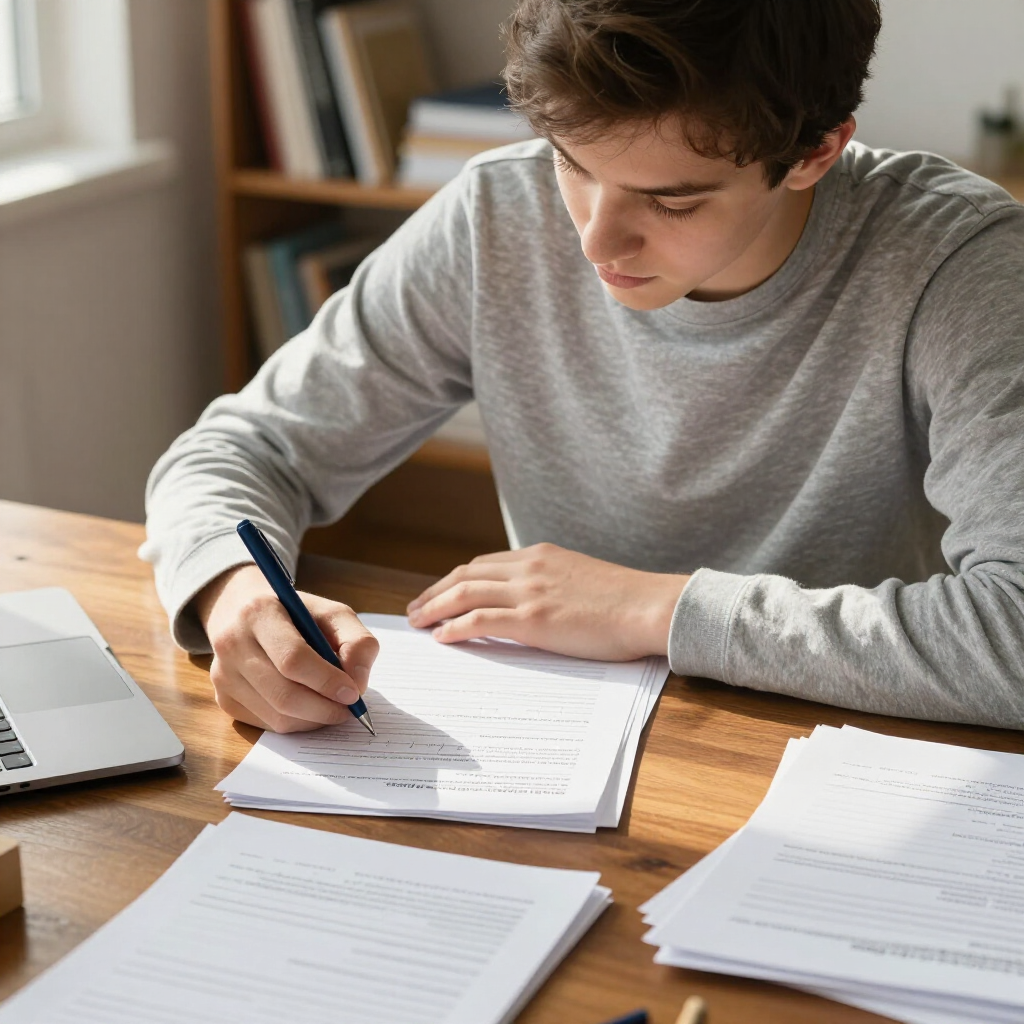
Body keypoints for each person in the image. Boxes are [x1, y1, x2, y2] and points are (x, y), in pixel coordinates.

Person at [142, 0, 1024, 735]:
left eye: (671, 199)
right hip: (552, 750)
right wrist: (234, 589)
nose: (595, 239)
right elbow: (245, 448)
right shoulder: (497, 213)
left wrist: (657, 611)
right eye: (572, 163)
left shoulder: (962, 267)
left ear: (816, 152)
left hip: (849, 753)